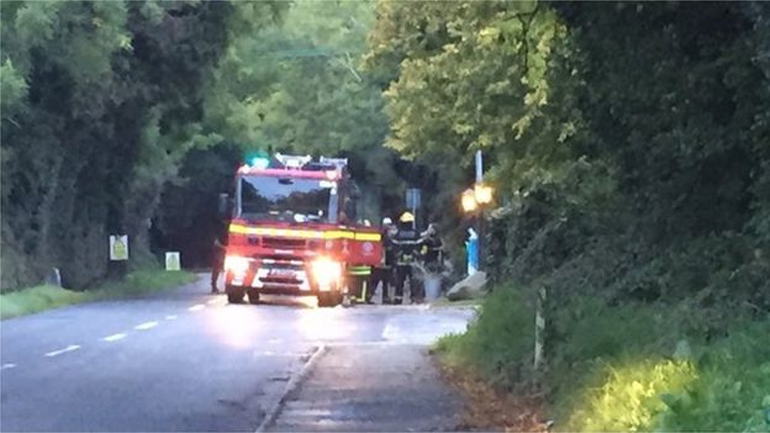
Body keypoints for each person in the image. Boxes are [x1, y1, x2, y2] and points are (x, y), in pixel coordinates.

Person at [392, 211, 421, 304]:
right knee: (413, 280)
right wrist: (416, 254)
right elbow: (419, 246)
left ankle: (398, 298)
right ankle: (414, 298)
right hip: (413, 261)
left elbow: (395, 247)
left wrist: (399, 255)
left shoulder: (398, 234)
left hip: (401, 262)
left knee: (400, 280)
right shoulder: (416, 234)